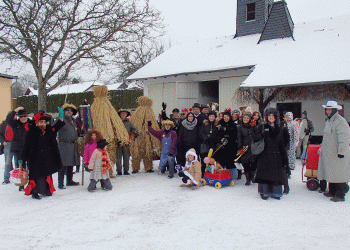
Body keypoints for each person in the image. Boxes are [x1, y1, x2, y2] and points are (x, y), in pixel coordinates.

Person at [19, 111, 65, 199]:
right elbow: (25, 146)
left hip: (46, 157)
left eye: (44, 122)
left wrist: (61, 118)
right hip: (34, 158)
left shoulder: (48, 130)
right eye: (41, 122)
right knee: (36, 176)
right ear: (36, 122)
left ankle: (47, 190)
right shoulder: (30, 132)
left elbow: (56, 127)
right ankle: (34, 192)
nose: (43, 124)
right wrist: (22, 158)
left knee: (46, 174)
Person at [253, 108, 289, 200]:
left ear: (276, 117)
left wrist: (284, 156)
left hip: (277, 155)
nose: (271, 117)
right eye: (269, 115)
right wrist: (262, 134)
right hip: (264, 155)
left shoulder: (281, 128)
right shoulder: (262, 126)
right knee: (265, 173)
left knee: (275, 174)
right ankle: (264, 192)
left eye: (273, 115)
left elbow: (286, 142)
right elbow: (255, 138)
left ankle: (276, 192)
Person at [318, 101, 350, 202]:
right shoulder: (329, 121)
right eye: (327, 109)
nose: (328, 111)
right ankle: (332, 191)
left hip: (337, 154)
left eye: (330, 109)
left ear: (335, 110)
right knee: (331, 173)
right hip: (329, 154)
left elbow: (344, 138)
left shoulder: (341, 121)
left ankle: (340, 194)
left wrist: (342, 151)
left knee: (339, 174)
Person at [6, 107, 30, 191]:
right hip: (18, 149)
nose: (23, 118)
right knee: (20, 167)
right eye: (21, 116)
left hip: (29, 149)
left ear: (27, 116)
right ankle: (21, 184)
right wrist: (15, 110)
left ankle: (31, 182)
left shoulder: (31, 123)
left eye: (24, 116)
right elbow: (8, 119)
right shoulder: (15, 124)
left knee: (31, 166)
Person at [57, 103, 80, 189]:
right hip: (64, 144)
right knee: (63, 164)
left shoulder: (73, 121)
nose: (69, 112)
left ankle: (69, 180)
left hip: (73, 144)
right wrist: (60, 117)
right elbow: (56, 125)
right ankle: (60, 183)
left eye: (71, 110)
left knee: (71, 163)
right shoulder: (62, 120)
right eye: (67, 110)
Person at [216, 111, 238, 179]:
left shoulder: (233, 124)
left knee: (230, 161)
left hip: (231, 145)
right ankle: (222, 175)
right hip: (222, 145)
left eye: (227, 117)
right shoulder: (220, 123)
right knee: (222, 160)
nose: (226, 118)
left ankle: (232, 176)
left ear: (229, 117)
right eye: (224, 117)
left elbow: (234, 133)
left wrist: (226, 129)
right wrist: (221, 139)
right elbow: (217, 134)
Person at [116, 108, 138, 175]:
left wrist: (135, 133)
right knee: (118, 157)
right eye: (122, 113)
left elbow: (134, 129)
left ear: (126, 115)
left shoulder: (129, 122)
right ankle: (119, 171)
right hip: (118, 141)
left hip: (126, 141)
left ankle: (126, 170)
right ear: (119, 114)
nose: (123, 114)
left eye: (124, 113)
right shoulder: (116, 121)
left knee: (126, 157)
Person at [237, 113, 257, 186]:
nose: (245, 119)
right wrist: (240, 148)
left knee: (253, 163)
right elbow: (239, 138)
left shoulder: (252, 126)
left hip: (252, 147)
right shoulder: (240, 127)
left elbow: (256, 135)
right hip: (245, 147)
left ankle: (252, 176)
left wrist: (254, 127)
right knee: (246, 164)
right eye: (244, 118)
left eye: (247, 118)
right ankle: (248, 178)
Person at [199, 111, 220, 176]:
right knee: (204, 161)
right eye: (210, 116)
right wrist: (205, 137)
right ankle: (203, 174)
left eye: (213, 116)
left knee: (212, 161)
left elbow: (219, 135)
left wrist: (213, 137)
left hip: (214, 145)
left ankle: (212, 174)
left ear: (215, 117)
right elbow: (201, 133)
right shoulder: (204, 124)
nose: (211, 118)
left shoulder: (217, 125)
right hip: (206, 145)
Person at [1, 120, 14, 184]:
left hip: (16, 143)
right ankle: (6, 178)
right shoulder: (4, 124)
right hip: (7, 143)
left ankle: (18, 177)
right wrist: (3, 141)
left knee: (18, 161)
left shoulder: (17, 123)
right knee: (8, 162)